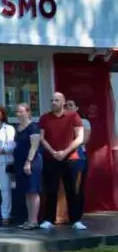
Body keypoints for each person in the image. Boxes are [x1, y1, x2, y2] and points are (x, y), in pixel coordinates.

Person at [38, 92, 86, 230]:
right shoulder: (45, 118)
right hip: (51, 158)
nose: (53, 102)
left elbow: (80, 137)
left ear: (63, 102)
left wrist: (64, 152)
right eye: (52, 100)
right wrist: (53, 152)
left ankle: (76, 220)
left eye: (57, 100)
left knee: (72, 190)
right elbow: (42, 138)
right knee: (51, 189)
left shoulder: (73, 116)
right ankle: (49, 219)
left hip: (70, 158)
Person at [13, 102, 43, 229]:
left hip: (32, 162)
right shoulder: (18, 128)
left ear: (28, 112)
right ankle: (29, 219)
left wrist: (28, 162)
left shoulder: (33, 127)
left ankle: (33, 220)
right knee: (26, 192)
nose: (19, 114)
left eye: (21, 111)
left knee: (33, 191)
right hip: (19, 162)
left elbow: (34, 146)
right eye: (17, 112)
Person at [65, 99, 91, 198]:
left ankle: (78, 207)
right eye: (66, 105)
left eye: (71, 105)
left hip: (78, 156)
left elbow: (84, 140)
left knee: (77, 186)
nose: (68, 107)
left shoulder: (84, 122)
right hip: (63, 155)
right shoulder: (61, 121)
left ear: (77, 108)